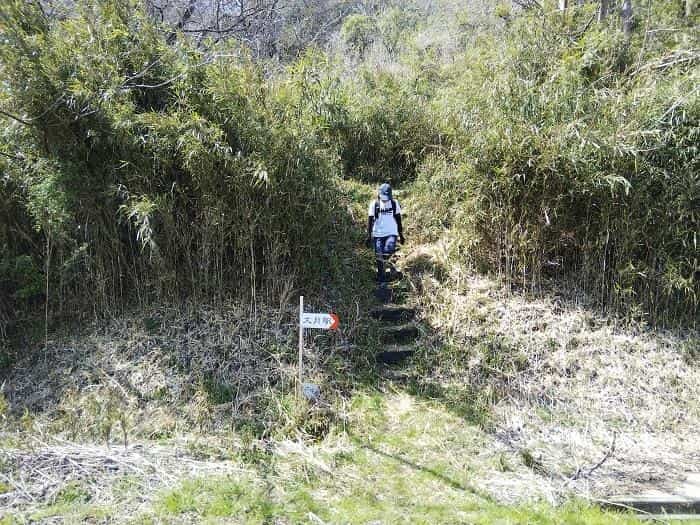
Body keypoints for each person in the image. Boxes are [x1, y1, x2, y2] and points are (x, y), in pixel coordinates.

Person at [366, 183, 405, 284]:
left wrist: (401, 234)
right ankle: (381, 279)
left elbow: (398, 219)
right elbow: (370, 221)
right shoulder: (374, 204)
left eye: (387, 197)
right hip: (377, 234)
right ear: (379, 194)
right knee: (379, 257)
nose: (385, 199)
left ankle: (389, 268)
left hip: (391, 233)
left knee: (387, 250)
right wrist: (368, 236)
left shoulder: (394, 203)